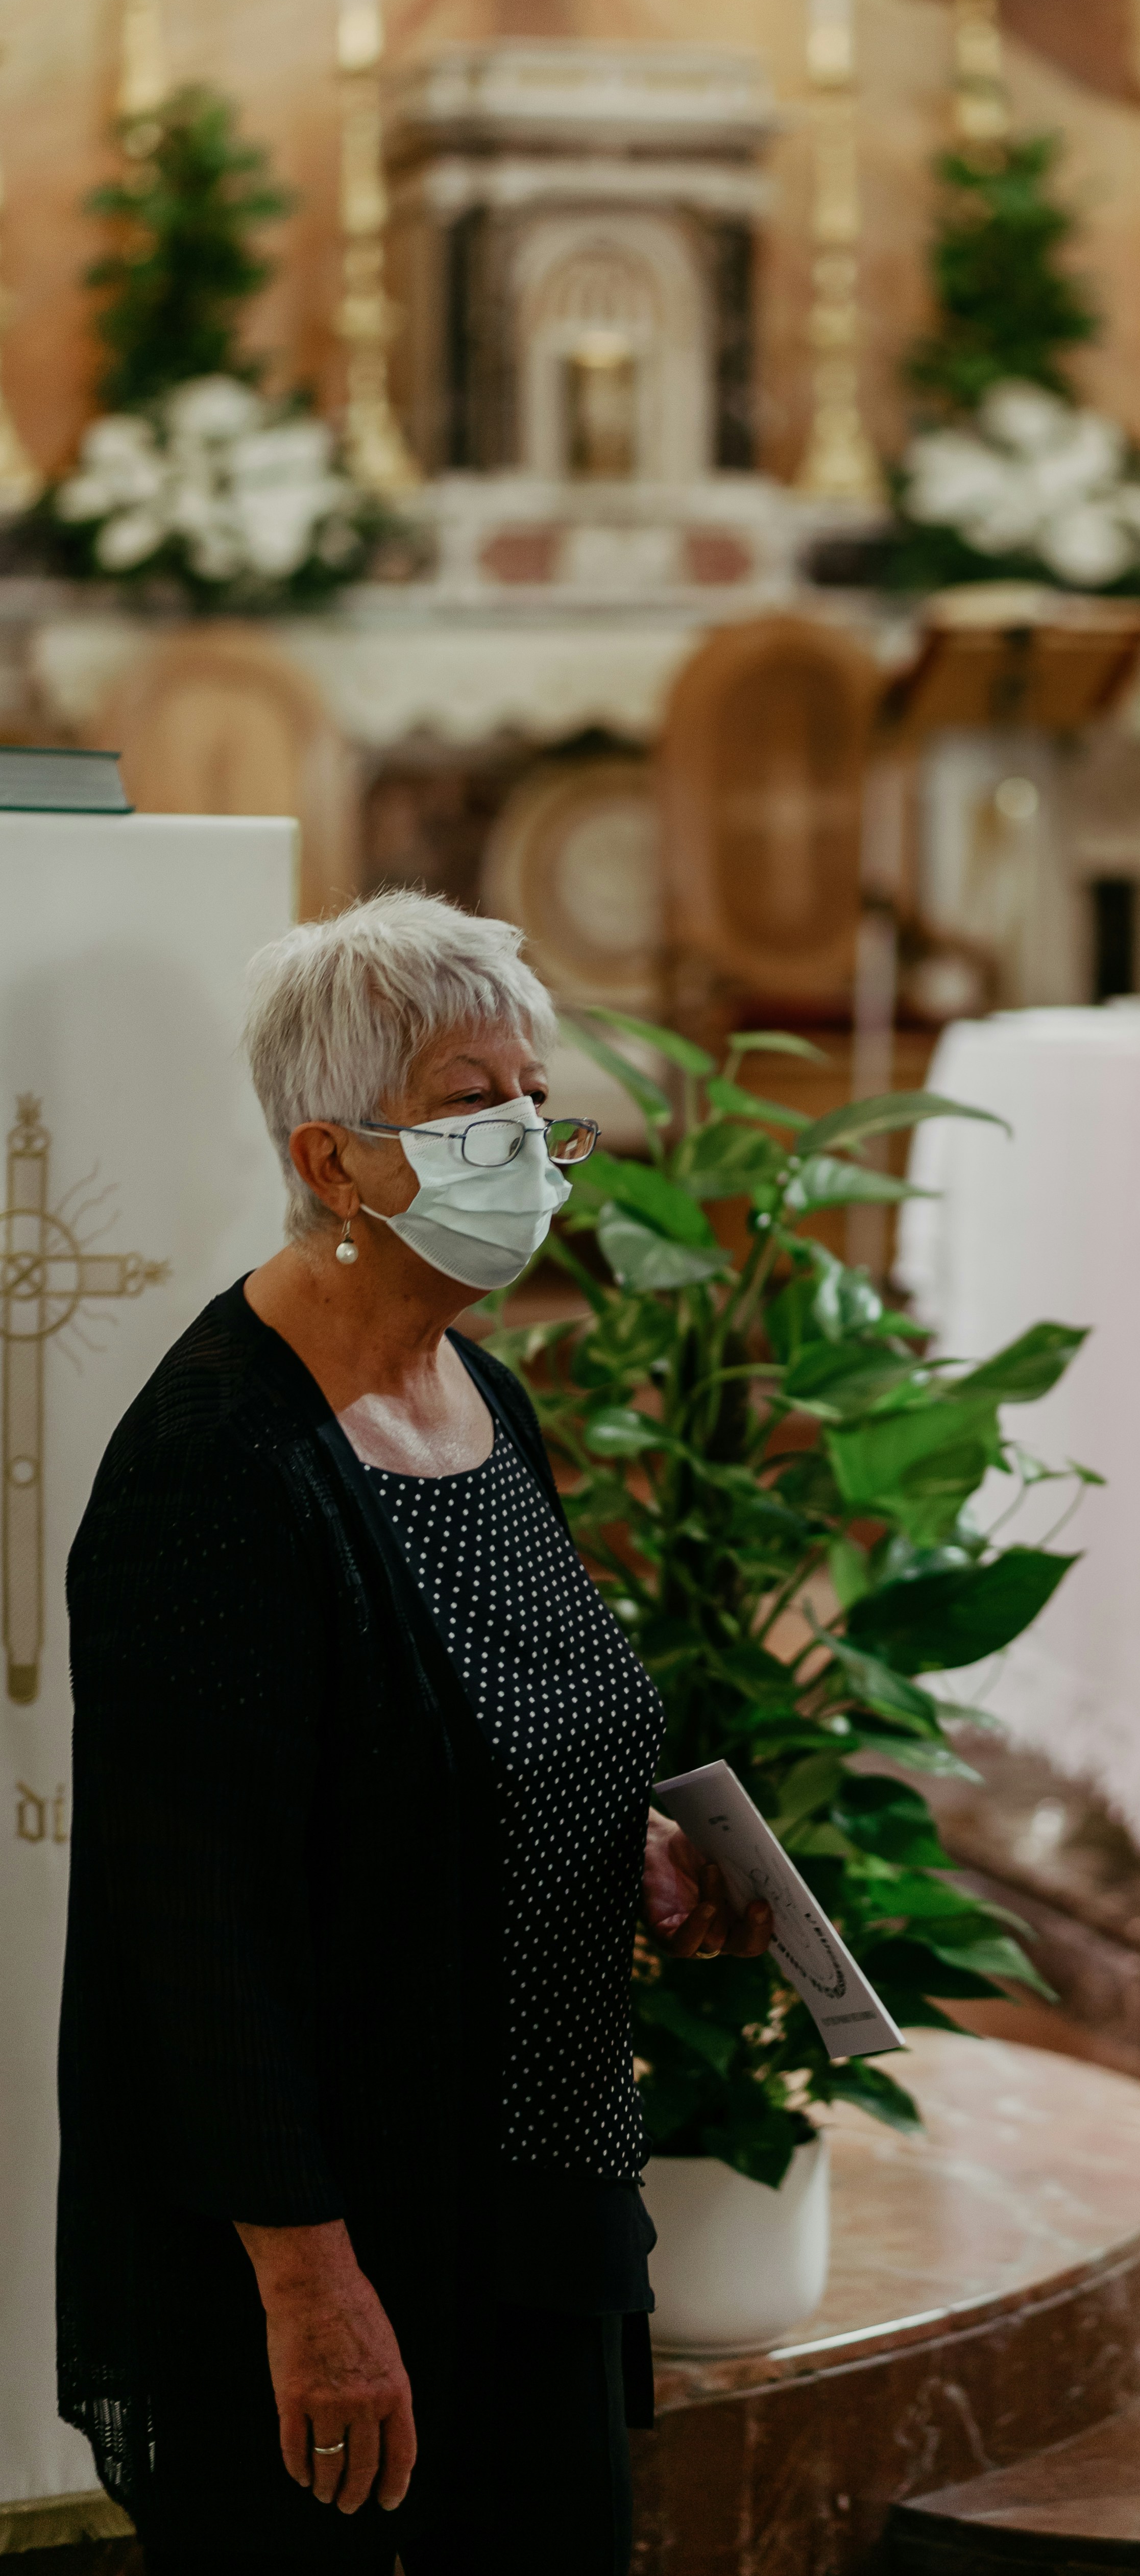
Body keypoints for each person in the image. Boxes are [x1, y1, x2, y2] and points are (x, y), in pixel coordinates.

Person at [57, 890, 769, 2575]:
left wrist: (643, 1846)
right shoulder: (219, 1469)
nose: (529, 1135)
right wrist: (311, 2290)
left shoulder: (475, 1390)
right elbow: (197, 1939)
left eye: (537, 1094)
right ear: (332, 1155)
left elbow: (494, 1729)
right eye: (470, 1102)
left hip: (535, 2191)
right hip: (355, 2236)